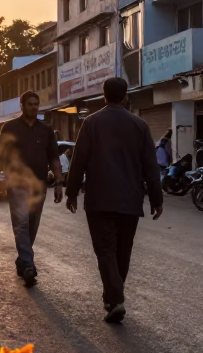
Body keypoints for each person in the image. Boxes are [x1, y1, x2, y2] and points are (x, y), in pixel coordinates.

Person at [65, 77, 163, 323]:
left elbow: (79, 160)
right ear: (126, 95)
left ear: (104, 95)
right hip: (130, 200)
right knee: (122, 250)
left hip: (99, 199)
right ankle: (113, 299)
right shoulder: (140, 125)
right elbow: (151, 166)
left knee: (105, 250)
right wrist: (156, 198)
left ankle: (115, 297)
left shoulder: (91, 123)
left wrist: (71, 191)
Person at [0, 91, 63, 287]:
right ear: (21, 106)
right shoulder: (10, 128)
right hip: (16, 185)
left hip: (39, 185)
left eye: (35, 104)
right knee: (21, 224)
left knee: (32, 224)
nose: (33, 107)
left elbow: (54, 159)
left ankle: (23, 260)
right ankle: (29, 265)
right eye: (29, 104)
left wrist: (58, 182)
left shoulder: (46, 130)